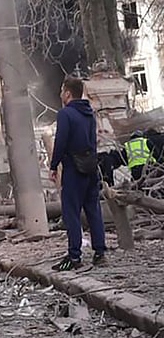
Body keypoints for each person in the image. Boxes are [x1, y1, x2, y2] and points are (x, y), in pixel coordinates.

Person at [49, 77, 105, 270]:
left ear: (67, 93)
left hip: (74, 168)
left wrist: (54, 165)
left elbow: (61, 141)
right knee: (93, 210)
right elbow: (93, 140)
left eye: (61, 91)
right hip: (91, 166)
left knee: (71, 213)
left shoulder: (66, 114)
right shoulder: (90, 113)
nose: (60, 95)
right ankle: (100, 253)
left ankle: (75, 257)